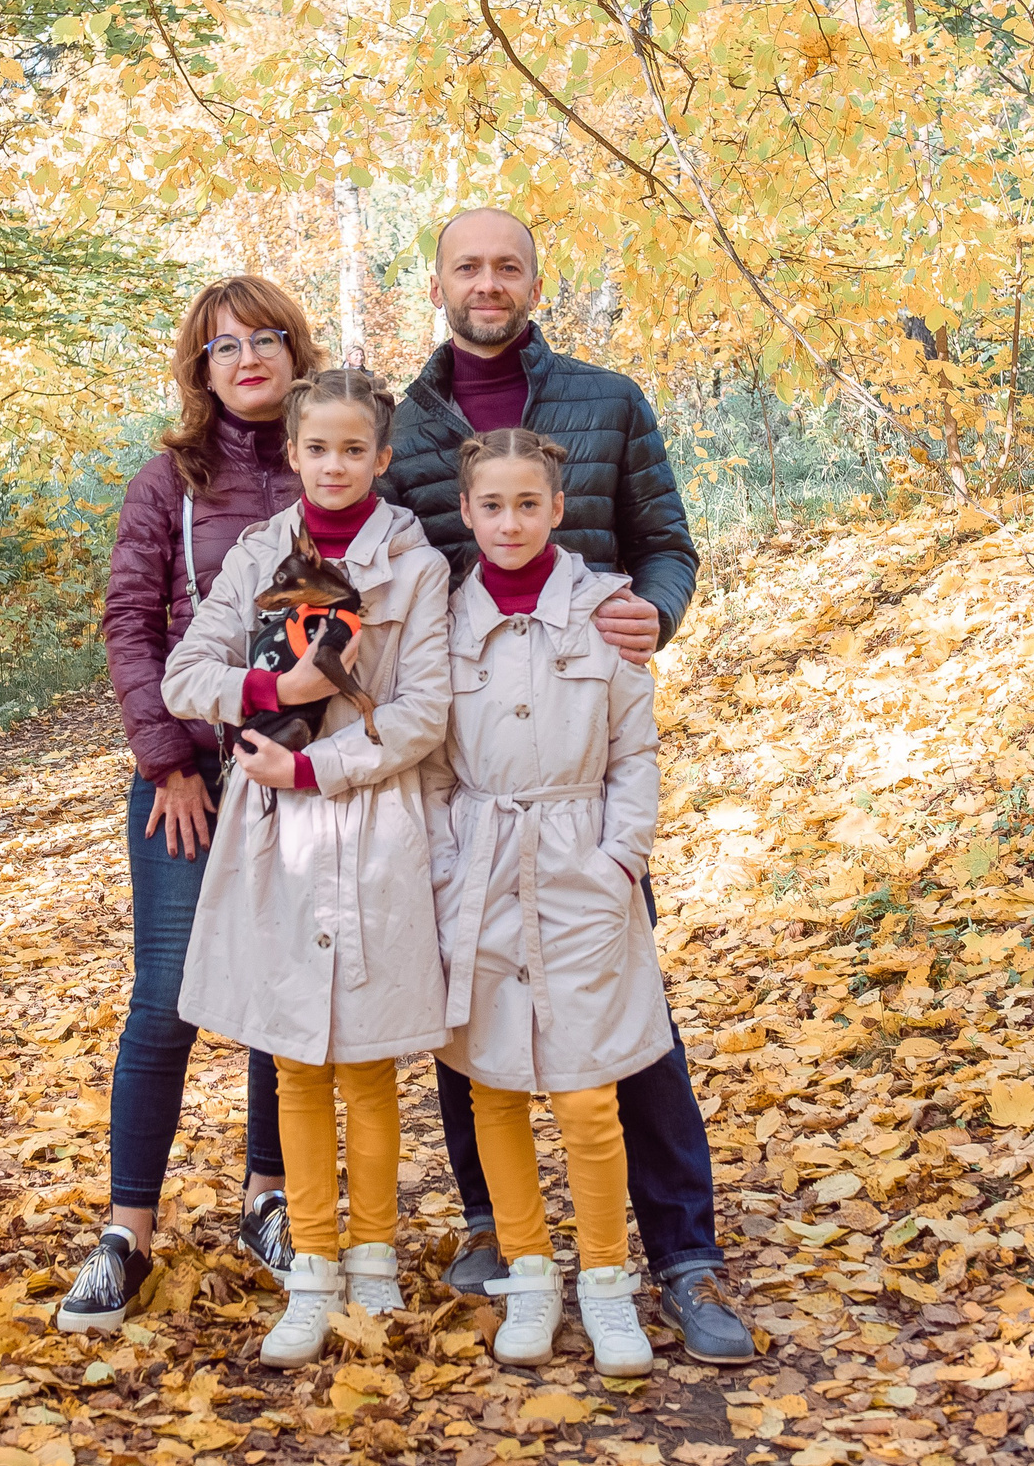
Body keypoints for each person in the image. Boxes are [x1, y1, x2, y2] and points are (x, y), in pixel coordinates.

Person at [382, 206, 755, 1365]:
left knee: (629, 1026)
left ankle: (681, 1252)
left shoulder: (606, 399)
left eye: (507, 266)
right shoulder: (400, 426)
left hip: (580, 767)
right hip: (468, 764)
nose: (487, 283)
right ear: (437, 284)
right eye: (467, 267)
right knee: (470, 1013)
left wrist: (657, 613)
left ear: (534, 282)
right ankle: (501, 1232)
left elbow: (668, 544)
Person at [162, 368, 455, 1368]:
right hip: (276, 835)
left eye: (353, 449)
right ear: (291, 454)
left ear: (382, 457)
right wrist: (272, 692)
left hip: (372, 820)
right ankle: (314, 1266)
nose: (333, 465)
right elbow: (186, 676)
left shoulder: (414, 569)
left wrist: (315, 764)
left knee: (367, 1061)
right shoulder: (256, 556)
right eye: (316, 448)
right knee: (294, 1059)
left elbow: (423, 711)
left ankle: (373, 1255)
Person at [62, 277, 317, 1334]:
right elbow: (130, 619)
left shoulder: (331, 461)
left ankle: (269, 1198)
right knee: (166, 997)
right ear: (201, 368)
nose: (248, 357)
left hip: (299, 774)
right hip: (191, 780)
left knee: (279, 991)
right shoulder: (168, 482)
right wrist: (166, 757)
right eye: (225, 345)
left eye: (266, 338)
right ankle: (127, 1232)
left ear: (296, 352)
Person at [428, 428, 667, 1377]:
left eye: (529, 503)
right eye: (492, 505)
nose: (510, 521)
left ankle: (606, 1280)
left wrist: (620, 862)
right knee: (492, 1082)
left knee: (586, 1091)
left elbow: (635, 751)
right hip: (480, 868)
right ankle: (529, 1271)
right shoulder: (446, 620)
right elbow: (433, 766)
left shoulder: (607, 613)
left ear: (558, 509)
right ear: (467, 512)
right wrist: (447, 868)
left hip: (579, 866)